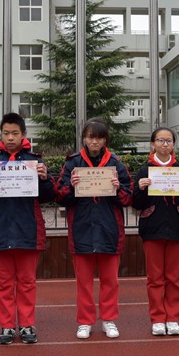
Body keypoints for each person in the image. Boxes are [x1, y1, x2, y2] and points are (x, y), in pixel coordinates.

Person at [0, 112, 56, 345]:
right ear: (0, 135)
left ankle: (27, 324)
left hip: (27, 230)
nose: (10, 138)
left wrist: (45, 178)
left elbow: (50, 197)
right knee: (3, 283)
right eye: (6, 133)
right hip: (0, 230)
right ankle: (7, 326)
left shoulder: (35, 162)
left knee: (28, 282)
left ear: (23, 135)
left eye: (15, 133)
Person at [56, 118, 133, 339]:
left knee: (111, 281)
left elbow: (129, 197)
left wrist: (118, 189)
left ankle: (109, 319)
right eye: (90, 137)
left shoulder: (116, 164)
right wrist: (71, 186)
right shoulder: (72, 163)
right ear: (84, 138)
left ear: (105, 139)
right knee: (84, 282)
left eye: (99, 137)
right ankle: (85, 321)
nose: (94, 141)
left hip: (109, 229)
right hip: (82, 228)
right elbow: (59, 194)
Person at [131, 127, 179, 336]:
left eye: (168, 141)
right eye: (160, 140)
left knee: (174, 277)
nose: (164, 144)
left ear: (174, 145)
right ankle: (158, 318)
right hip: (152, 228)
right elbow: (136, 202)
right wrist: (140, 188)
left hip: (177, 228)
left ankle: (173, 317)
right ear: (153, 144)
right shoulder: (145, 170)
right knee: (155, 278)